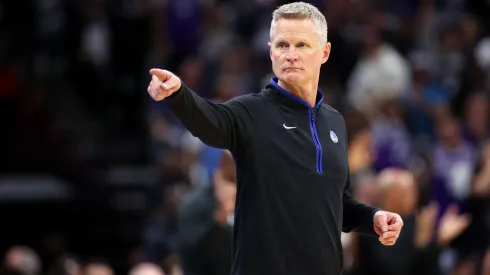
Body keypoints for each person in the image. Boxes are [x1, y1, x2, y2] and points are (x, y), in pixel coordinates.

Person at [147, 2, 403, 275]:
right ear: (271, 53)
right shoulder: (251, 112)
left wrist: (372, 218)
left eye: (302, 45)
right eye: (282, 45)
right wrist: (178, 94)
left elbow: (335, 202)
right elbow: (210, 120)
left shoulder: (335, 122)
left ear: (324, 52)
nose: (291, 55)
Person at [177, 150, 236, 275]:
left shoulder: (256, 199)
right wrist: (221, 217)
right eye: (229, 176)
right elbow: (193, 257)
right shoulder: (194, 204)